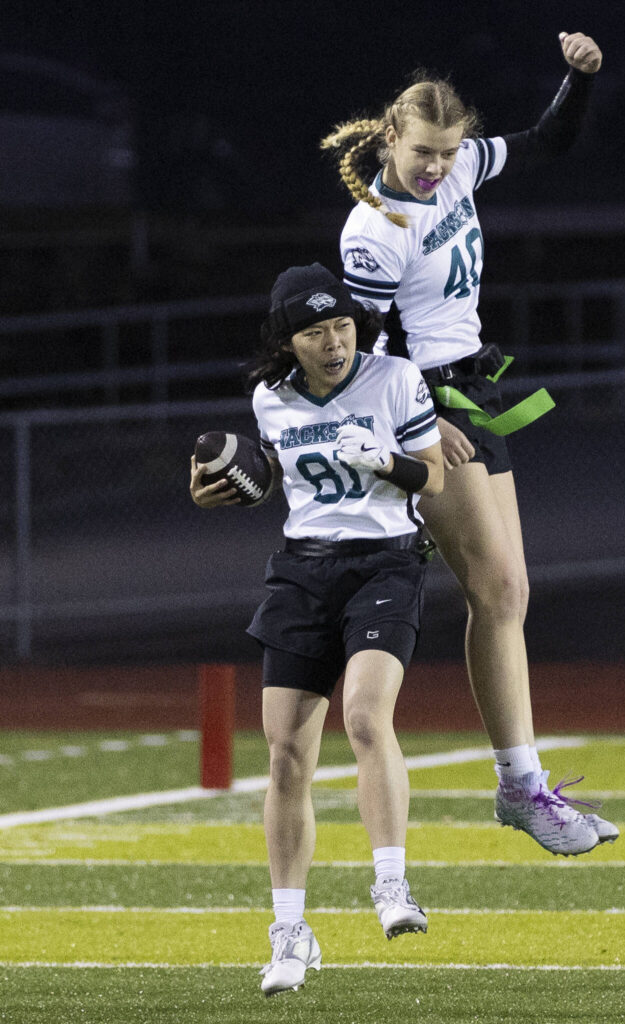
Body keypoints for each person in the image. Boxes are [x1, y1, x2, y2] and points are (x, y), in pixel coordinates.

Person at [320, 32, 619, 856]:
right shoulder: (373, 229)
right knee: (493, 589)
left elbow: (547, 140)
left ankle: (522, 784)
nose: (439, 168)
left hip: (472, 392)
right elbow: (359, 350)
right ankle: (519, 787)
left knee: (511, 594)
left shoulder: (464, 167)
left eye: (449, 153)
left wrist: (577, 77)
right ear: (389, 138)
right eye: (424, 153)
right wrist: (418, 421)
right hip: (423, 404)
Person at [190, 263, 443, 996]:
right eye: (314, 331)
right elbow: (276, 479)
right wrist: (222, 490)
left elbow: (436, 476)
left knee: (366, 716)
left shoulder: (393, 378)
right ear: (288, 340)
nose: (333, 341)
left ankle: (391, 884)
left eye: (340, 325)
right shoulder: (269, 398)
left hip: (385, 567)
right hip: (303, 571)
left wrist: (386, 462)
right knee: (283, 759)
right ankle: (290, 931)